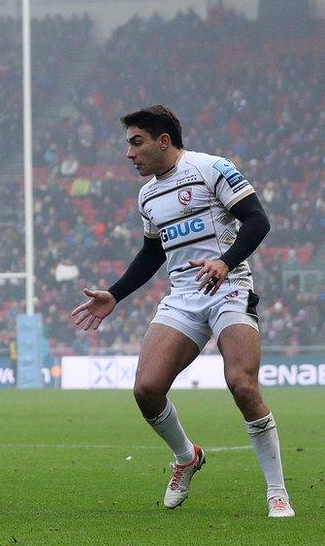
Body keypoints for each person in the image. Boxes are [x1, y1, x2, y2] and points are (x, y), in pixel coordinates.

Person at [71, 105, 294, 518]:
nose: (129, 153)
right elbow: (153, 251)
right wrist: (115, 295)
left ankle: (277, 491)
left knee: (241, 384)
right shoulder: (148, 195)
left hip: (229, 287)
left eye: (136, 142)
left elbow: (257, 221)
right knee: (146, 389)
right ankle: (187, 456)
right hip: (184, 296)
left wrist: (225, 261)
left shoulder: (212, 169)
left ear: (163, 141)